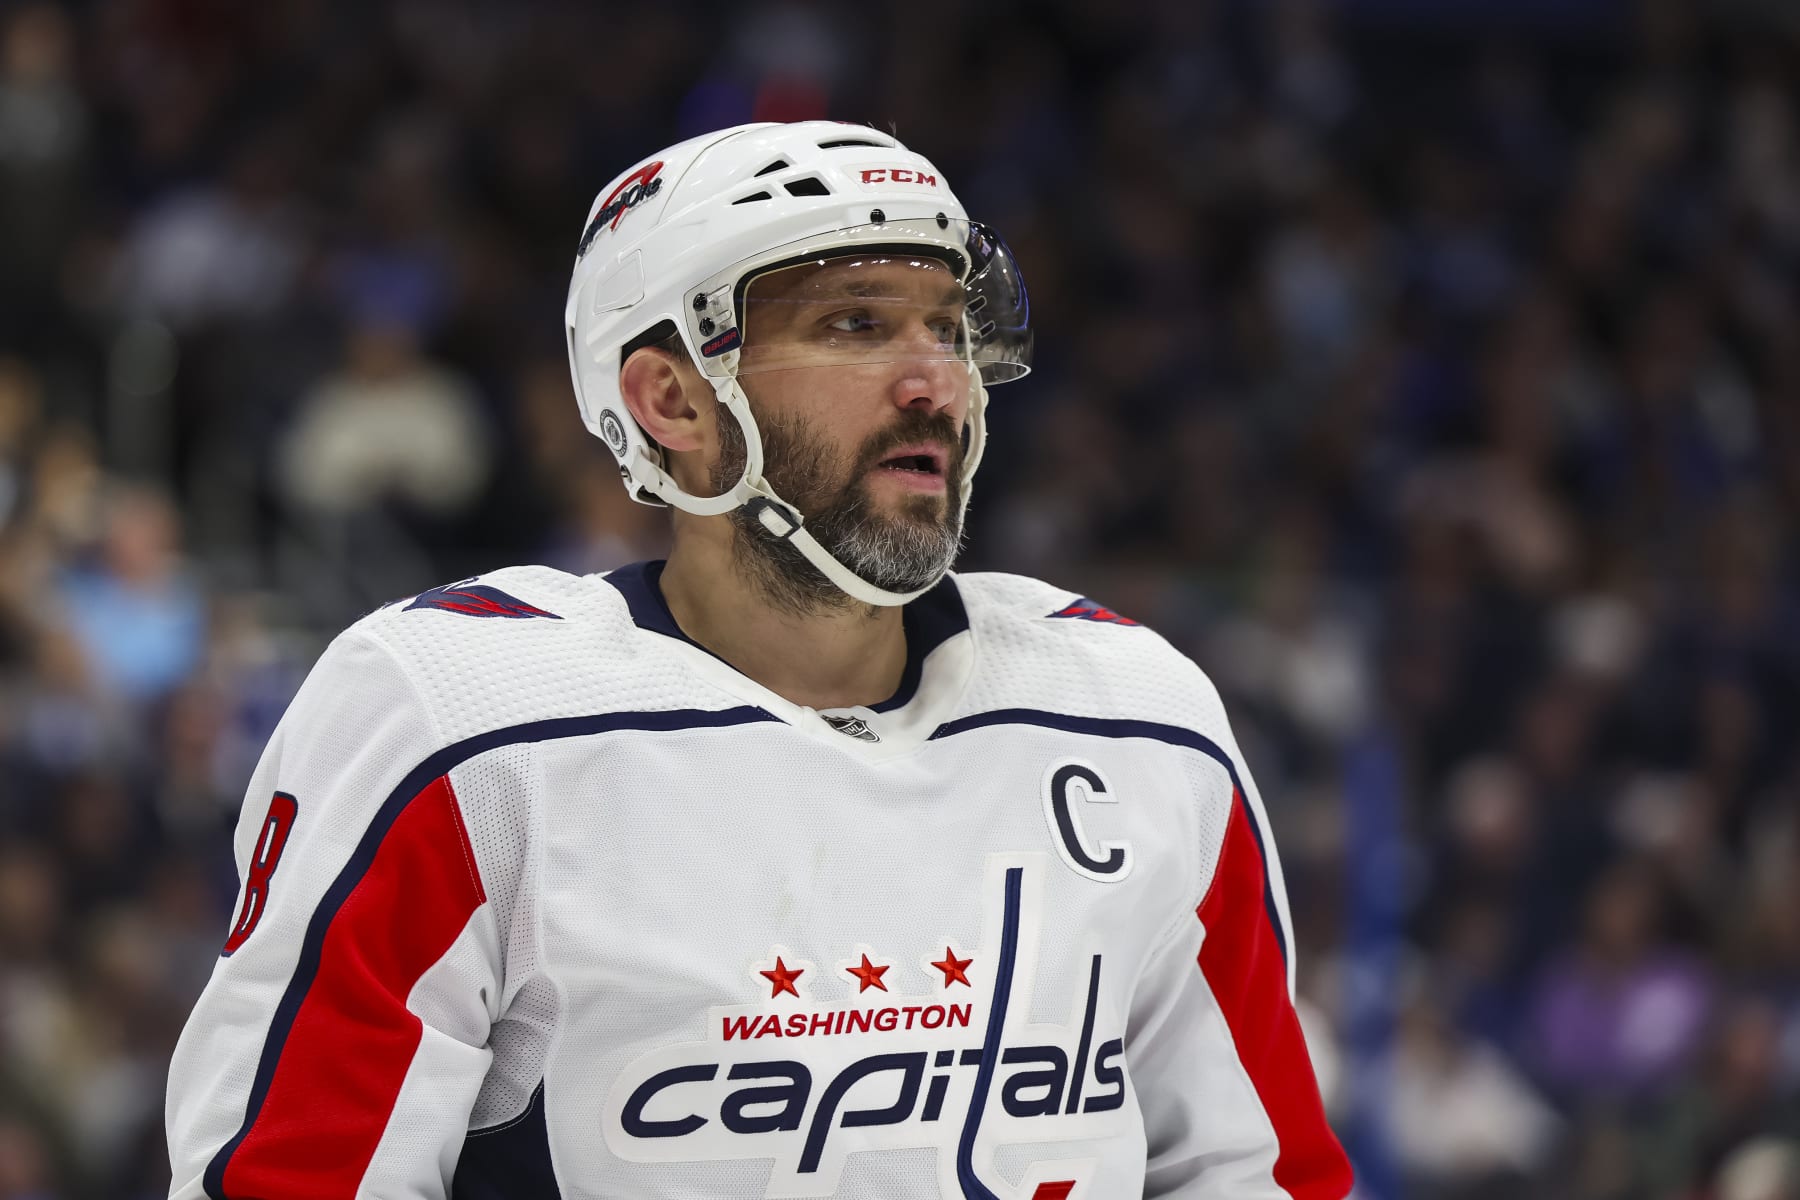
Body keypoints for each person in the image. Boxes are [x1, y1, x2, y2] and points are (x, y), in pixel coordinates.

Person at [164, 121, 1353, 1200]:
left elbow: (1260, 1174)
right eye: (855, 323)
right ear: (672, 399)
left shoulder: (1135, 715)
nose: (934, 379)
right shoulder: (463, 728)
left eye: (946, 326)